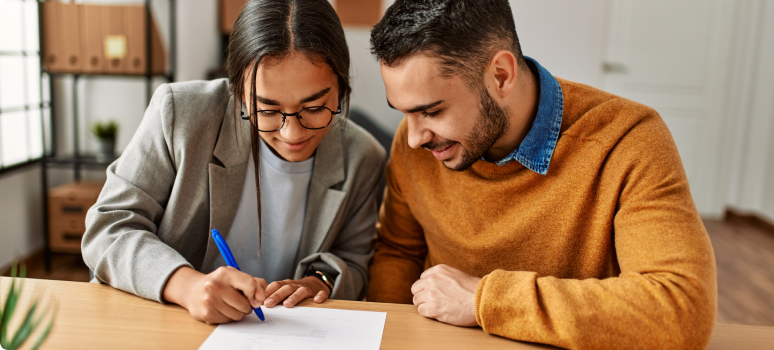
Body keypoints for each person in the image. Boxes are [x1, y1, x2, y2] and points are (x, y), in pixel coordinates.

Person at [366, 0, 716, 349]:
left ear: (501, 75)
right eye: (404, 113)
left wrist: (483, 301)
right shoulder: (420, 145)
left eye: (432, 111)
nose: (413, 138)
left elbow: (681, 310)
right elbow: (398, 252)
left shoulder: (627, 139)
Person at [82, 0, 385, 325]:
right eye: (267, 110)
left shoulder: (362, 157)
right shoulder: (180, 115)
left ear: (342, 87)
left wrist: (318, 283)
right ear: (238, 91)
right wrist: (186, 285)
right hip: (161, 326)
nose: (292, 132)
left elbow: (353, 262)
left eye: (314, 107)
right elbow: (109, 228)